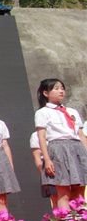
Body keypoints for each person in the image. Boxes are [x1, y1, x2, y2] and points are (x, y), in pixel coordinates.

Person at [35, 79, 87, 209]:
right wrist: (47, 160)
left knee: (79, 190)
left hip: (77, 149)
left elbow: (81, 135)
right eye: (56, 88)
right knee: (63, 191)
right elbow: (42, 137)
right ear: (46, 93)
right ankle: (66, 220)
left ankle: (80, 220)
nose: (61, 91)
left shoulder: (72, 111)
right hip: (58, 150)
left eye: (62, 88)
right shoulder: (42, 112)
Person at [30, 132, 58, 209]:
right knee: (55, 199)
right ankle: (60, 216)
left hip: (67, 168)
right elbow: (37, 158)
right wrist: (44, 175)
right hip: (50, 171)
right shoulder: (36, 135)